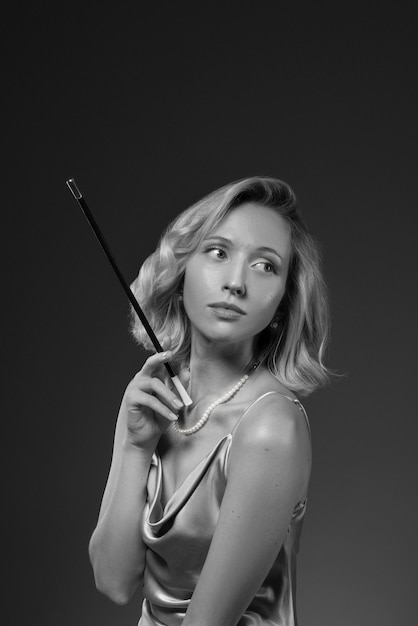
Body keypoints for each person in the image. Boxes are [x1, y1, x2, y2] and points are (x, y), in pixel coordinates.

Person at [88, 176, 330, 626]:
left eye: (265, 266)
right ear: (181, 272)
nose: (236, 283)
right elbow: (114, 580)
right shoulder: (153, 398)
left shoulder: (269, 427)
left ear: (282, 305)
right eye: (218, 252)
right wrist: (135, 446)